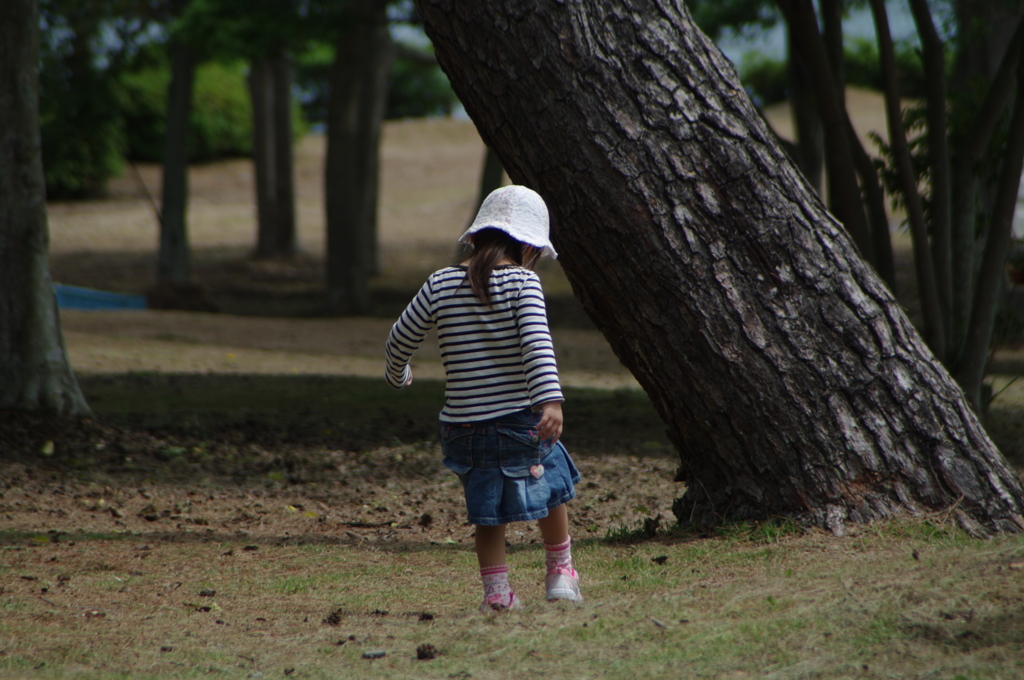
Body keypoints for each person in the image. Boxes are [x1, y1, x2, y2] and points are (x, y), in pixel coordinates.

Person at [385, 185, 582, 611]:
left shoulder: (440, 282)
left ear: (474, 236)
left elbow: (399, 337)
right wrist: (551, 400)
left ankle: (497, 595)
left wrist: (398, 373)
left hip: (462, 427)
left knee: (487, 510)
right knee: (551, 490)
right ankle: (560, 574)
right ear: (529, 246)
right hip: (519, 422)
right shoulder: (524, 282)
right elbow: (537, 344)